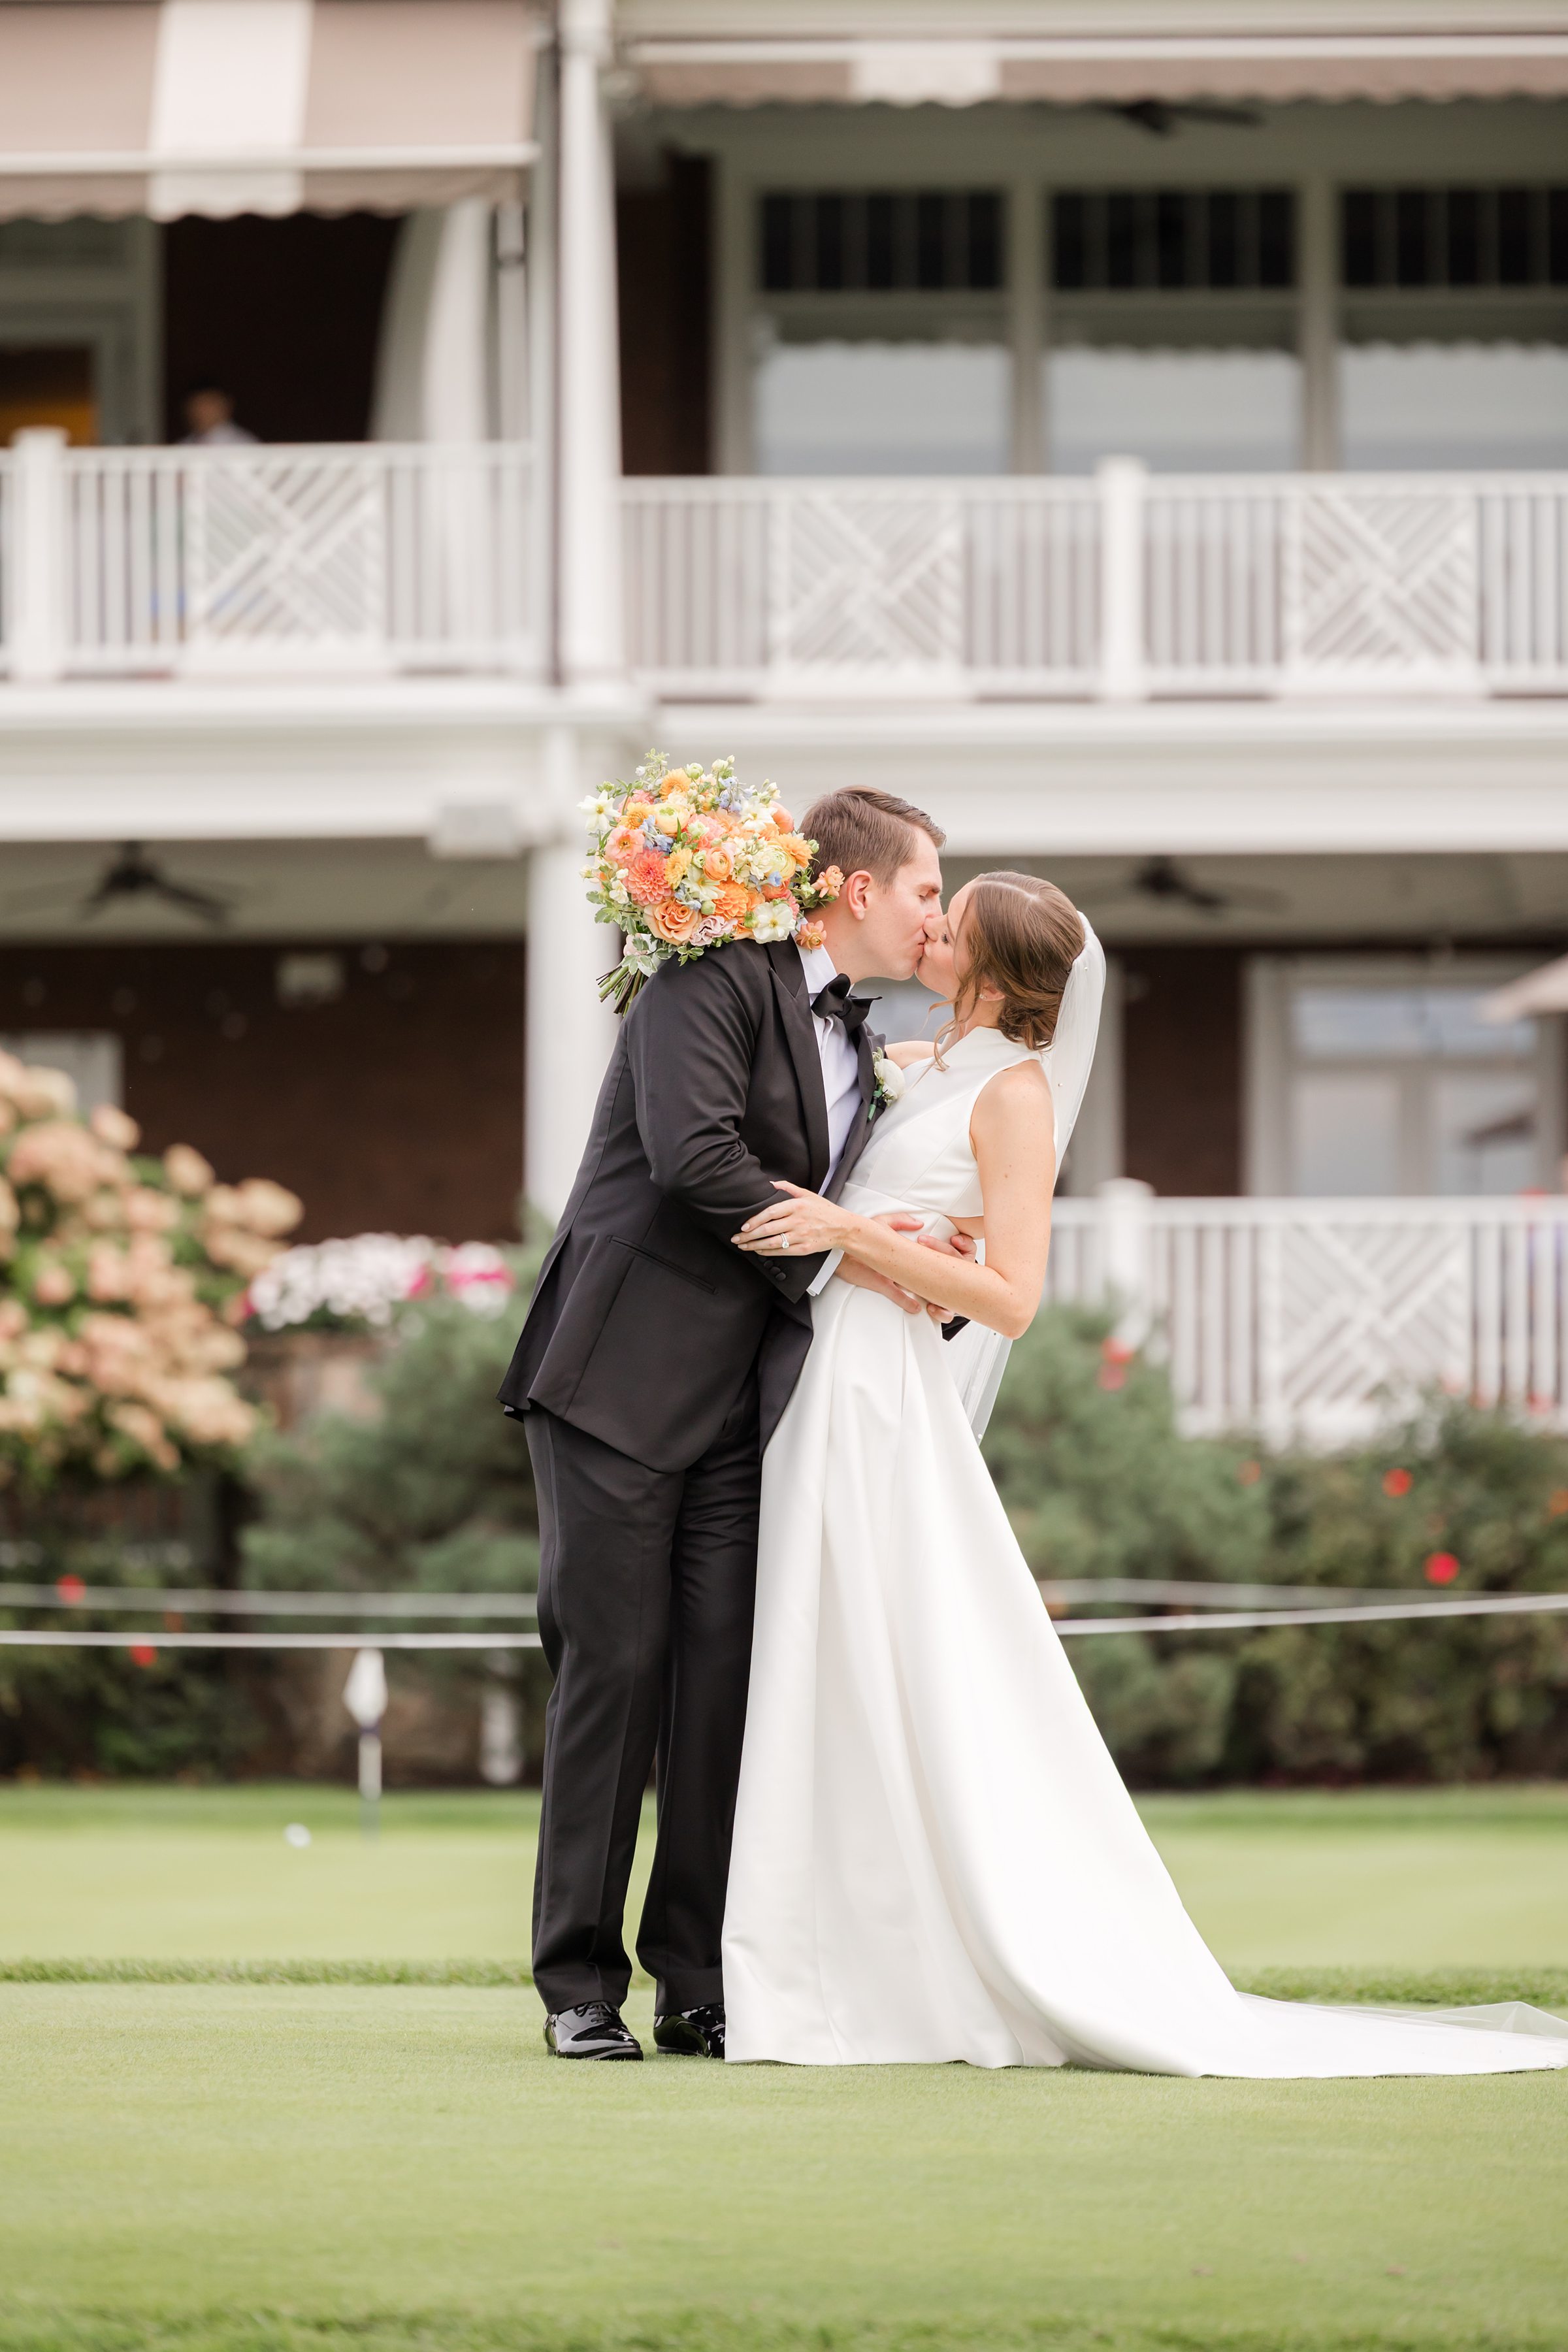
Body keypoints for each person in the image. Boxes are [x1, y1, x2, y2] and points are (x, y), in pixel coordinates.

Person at [722, 874, 1568, 2076]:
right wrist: (888, 1238)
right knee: (829, 1658)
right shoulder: (922, 1064)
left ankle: (881, 1971)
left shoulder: (1014, 1097)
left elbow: (1013, 1297)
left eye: (952, 922)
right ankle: (818, 1957)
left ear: (1002, 975)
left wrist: (853, 1232)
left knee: (883, 1652)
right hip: (829, 1378)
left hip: (882, 1400)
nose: (933, 928)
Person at [497, 787, 951, 2059]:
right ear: (857, 888)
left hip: (749, 1405)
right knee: (616, 1677)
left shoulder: (864, 1033)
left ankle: (696, 1979)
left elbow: (824, 1187)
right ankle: (577, 1989)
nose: (935, 916)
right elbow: (695, 1158)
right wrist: (859, 1256)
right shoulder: (708, 979)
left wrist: (903, 1244)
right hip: (619, 1387)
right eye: (925, 890)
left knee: (721, 1690)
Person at [180, 385, 257, 446]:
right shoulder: (183, 446)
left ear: (226, 405)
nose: (200, 411)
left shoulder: (245, 445)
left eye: (207, 403)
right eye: (195, 405)